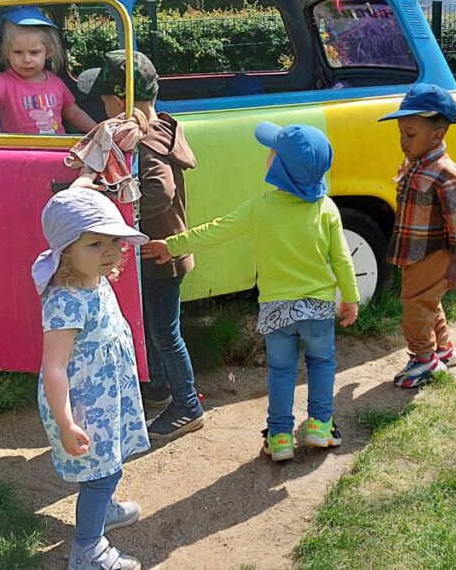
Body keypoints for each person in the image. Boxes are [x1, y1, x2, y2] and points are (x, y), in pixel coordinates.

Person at [142, 122, 360, 462]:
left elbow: (216, 231)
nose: (268, 155)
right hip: (317, 308)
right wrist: (350, 296)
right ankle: (319, 425)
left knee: (283, 372)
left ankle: (280, 437)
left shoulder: (260, 207)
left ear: (279, 167)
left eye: (272, 151)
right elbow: (342, 259)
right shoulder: (326, 208)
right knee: (321, 363)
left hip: (277, 310)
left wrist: (172, 245)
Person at [73, 50, 205, 441]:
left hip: (158, 252)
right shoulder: (162, 127)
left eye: (102, 103)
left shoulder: (143, 139)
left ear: (118, 102)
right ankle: (160, 388)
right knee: (153, 326)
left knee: (165, 333)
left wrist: (122, 213)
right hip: (163, 250)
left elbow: (159, 191)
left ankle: (188, 405)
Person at [32, 188, 151, 570]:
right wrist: (67, 423)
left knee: (108, 463)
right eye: (95, 243)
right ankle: (87, 549)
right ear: (66, 251)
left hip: (107, 395)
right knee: (103, 471)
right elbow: (53, 366)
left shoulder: (95, 280)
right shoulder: (65, 300)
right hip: (83, 404)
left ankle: (102, 510)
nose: (110, 252)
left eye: (114, 240)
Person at [377, 82, 456, 389]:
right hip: (412, 250)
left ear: (437, 135)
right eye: (401, 133)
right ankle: (443, 350)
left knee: (415, 305)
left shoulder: (445, 172)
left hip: (432, 253)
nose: (403, 140)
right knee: (427, 301)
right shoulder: (413, 162)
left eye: (410, 134)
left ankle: (423, 359)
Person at [0, 7, 97, 135]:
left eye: (34, 53)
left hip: (55, 153)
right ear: (6, 52)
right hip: (20, 154)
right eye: (18, 52)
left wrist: (97, 129)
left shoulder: (56, 83)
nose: (26, 59)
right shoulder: (3, 83)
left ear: (47, 52)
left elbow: (74, 113)